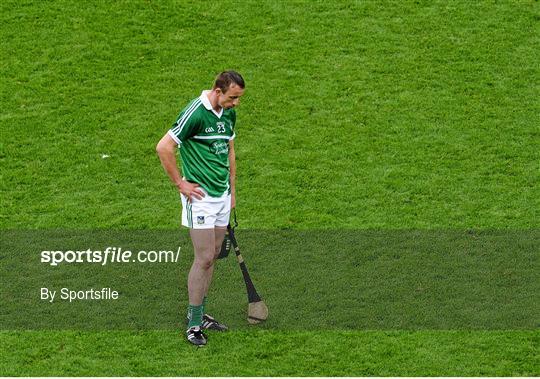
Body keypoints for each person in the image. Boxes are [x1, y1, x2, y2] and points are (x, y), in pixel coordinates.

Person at [156, 71, 245, 346]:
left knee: (214, 254)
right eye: (232, 97)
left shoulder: (227, 113)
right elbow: (164, 147)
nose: (236, 103)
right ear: (218, 91)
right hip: (201, 198)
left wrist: (232, 191)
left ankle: (201, 313)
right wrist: (180, 184)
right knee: (204, 257)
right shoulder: (195, 112)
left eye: (239, 98)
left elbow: (229, 150)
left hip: (221, 197)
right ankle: (193, 323)